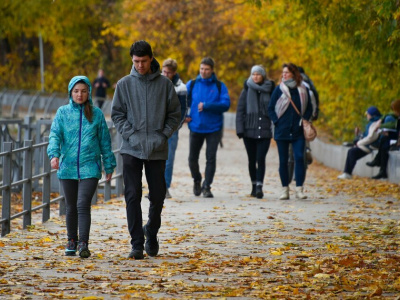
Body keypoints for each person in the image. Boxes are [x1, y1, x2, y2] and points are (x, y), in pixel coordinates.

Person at [111, 40, 181, 260]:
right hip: (131, 147)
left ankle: (151, 231)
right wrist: (130, 135)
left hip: (157, 148)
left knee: (158, 195)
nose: (140, 65)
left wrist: (163, 135)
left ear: (151, 58)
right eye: (136, 61)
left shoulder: (165, 85)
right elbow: (117, 114)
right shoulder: (124, 84)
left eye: (143, 61)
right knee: (132, 194)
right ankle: (136, 243)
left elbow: (175, 114)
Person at [47, 75, 116, 258]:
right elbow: (54, 135)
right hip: (67, 166)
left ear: (89, 93)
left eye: (83, 91)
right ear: (71, 92)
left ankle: (83, 243)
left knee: (83, 203)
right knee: (70, 205)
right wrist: (54, 155)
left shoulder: (97, 114)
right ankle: (71, 240)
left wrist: (109, 165)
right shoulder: (62, 113)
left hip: (90, 166)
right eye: (76, 91)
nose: (80, 94)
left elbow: (105, 142)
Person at [186, 57, 230, 198]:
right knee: (192, 158)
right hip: (195, 127)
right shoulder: (192, 84)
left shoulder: (219, 86)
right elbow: (181, 102)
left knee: (210, 158)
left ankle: (207, 186)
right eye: (202, 69)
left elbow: (226, 104)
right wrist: (184, 116)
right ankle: (197, 179)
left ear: (212, 70)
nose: (204, 72)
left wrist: (207, 105)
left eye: (207, 69)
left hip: (214, 128)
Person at [267, 63, 313, 200]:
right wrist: (277, 122)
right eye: (283, 73)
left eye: (286, 72)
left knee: (299, 157)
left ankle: (299, 189)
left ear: (294, 73)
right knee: (283, 161)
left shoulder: (303, 89)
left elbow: (309, 108)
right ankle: (284, 190)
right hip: (282, 131)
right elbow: (270, 108)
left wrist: (305, 119)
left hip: (298, 130)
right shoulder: (279, 89)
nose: (284, 75)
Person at [236, 65, 275, 199]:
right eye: (253, 74)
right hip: (249, 131)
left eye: (258, 74)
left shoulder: (270, 89)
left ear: (263, 75)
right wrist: (240, 130)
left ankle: (259, 186)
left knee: (261, 158)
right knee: (252, 160)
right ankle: (253, 185)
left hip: (264, 130)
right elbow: (240, 111)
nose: (255, 77)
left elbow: (274, 109)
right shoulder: (246, 90)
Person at [161, 58, 187, 199]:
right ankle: (156, 187)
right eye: (163, 71)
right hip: (157, 127)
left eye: (168, 73)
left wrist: (176, 126)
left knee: (169, 159)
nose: (165, 75)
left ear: (174, 73)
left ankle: (165, 187)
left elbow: (183, 110)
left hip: (172, 128)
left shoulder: (180, 88)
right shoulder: (157, 83)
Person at [337, 106, 383, 179]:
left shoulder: (375, 123)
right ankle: (347, 173)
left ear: (372, 115)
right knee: (351, 151)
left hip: (370, 146)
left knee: (352, 152)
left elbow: (371, 137)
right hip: (368, 145)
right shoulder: (372, 123)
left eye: (368, 114)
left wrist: (359, 143)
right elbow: (367, 135)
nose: (367, 116)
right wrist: (359, 134)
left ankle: (347, 173)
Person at [366, 100, 400, 179]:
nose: (394, 112)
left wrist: (381, 126)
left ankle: (380, 167)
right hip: (396, 138)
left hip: (397, 139)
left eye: (395, 110)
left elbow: (394, 126)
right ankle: (381, 168)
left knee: (385, 144)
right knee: (384, 139)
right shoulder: (396, 116)